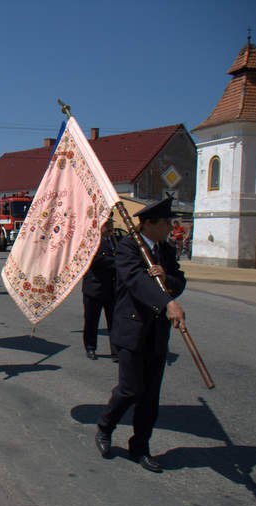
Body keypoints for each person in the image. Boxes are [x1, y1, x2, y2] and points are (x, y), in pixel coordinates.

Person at [95, 197, 186, 474]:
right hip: (132, 328)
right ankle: (105, 426)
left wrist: (168, 280)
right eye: (165, 222)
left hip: (156, 333)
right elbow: (135, 281)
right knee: (130, 389)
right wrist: (167, 301)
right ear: (148, 224)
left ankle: (140, 447)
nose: (170, 226)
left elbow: (179, 279)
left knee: (150, 396)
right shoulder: (127, 248)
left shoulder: (165, 250)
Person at [82, 217, 118, 361]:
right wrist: (118, 263)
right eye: (107, 225)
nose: (110, 228)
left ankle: (115, 351)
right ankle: (90, 347)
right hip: (94, 289)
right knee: (91, 321)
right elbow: (96, 261)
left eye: (111, 224)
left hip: (111, 289)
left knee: (114, 322)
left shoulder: (115, 241)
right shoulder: (92, 241)